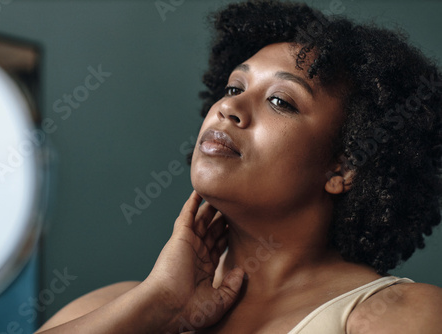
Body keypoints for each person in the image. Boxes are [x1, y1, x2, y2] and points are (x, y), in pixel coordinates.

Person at [36, 1, 442, 333]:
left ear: (345, 168)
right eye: (234, 88)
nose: (229, 107)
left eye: (281, 101)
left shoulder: (394, 314)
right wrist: (157, 305)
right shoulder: (123, 307)